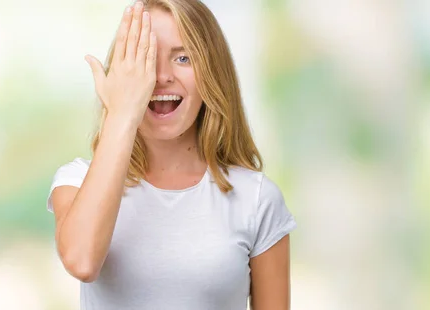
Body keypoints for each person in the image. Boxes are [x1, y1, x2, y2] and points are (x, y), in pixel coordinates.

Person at [46, 1, 297, 309]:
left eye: (182, 58)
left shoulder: (257, 199)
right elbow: (82, 262)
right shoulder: (77, 181)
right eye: (145, 58)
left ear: (211, 73)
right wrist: (122, 114)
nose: (161, 76)